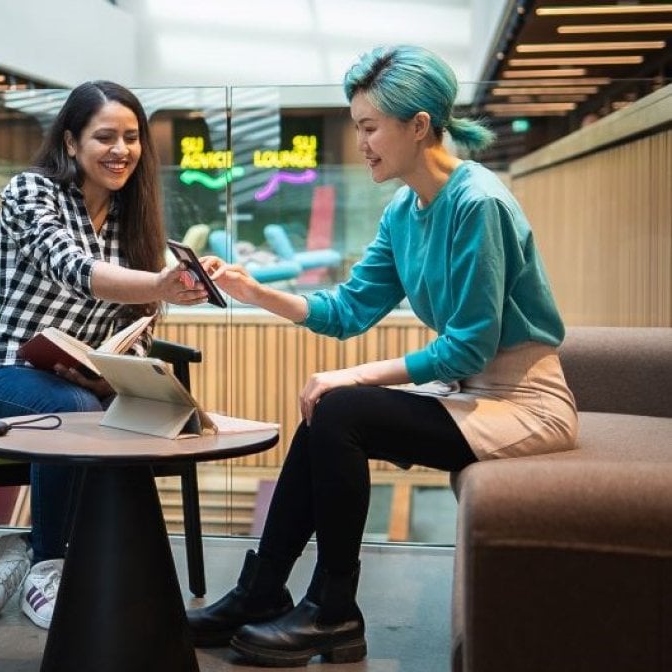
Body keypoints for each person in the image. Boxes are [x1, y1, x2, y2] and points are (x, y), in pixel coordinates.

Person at [189, 45, 579, 667]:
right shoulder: (406, 210)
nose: (361, 142)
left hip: (523, 401)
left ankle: (333, 609)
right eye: (357, 127)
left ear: (419, 125)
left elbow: (472, 344)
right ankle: (262, 591)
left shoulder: (478, 204)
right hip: (469, 393)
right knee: (330, 412)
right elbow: (348, 310)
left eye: (370, 127)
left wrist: (353, 375)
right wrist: (255, 292)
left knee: (341, 407)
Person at [0, 80, 208, 629]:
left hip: (76, 384)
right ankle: (50, 566)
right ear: (71, 142)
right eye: (104, 137)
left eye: (131, 136)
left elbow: (133, 327)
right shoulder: (31, 192)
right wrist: (159, 282)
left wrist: (114, 370)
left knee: (132, 411)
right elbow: (71, 267)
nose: (121, 149)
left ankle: (28, 549)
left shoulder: (130, 216)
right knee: (78, 412)